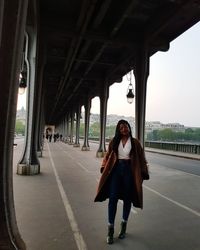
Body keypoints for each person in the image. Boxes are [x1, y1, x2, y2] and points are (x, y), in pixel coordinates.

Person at [94, 119, 149, 244]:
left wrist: (143, 173)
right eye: (121, 128)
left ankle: (124, 225)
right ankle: (110, 229)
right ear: (119, 130)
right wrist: (104, 166)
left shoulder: (135, 143)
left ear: (129, 128)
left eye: (126, 127)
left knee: (127, 199)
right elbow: (108, 156)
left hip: (130, 171)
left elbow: (141, 158)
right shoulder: (114, 141)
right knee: (113, 198)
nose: (124, 129)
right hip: (116, 170)